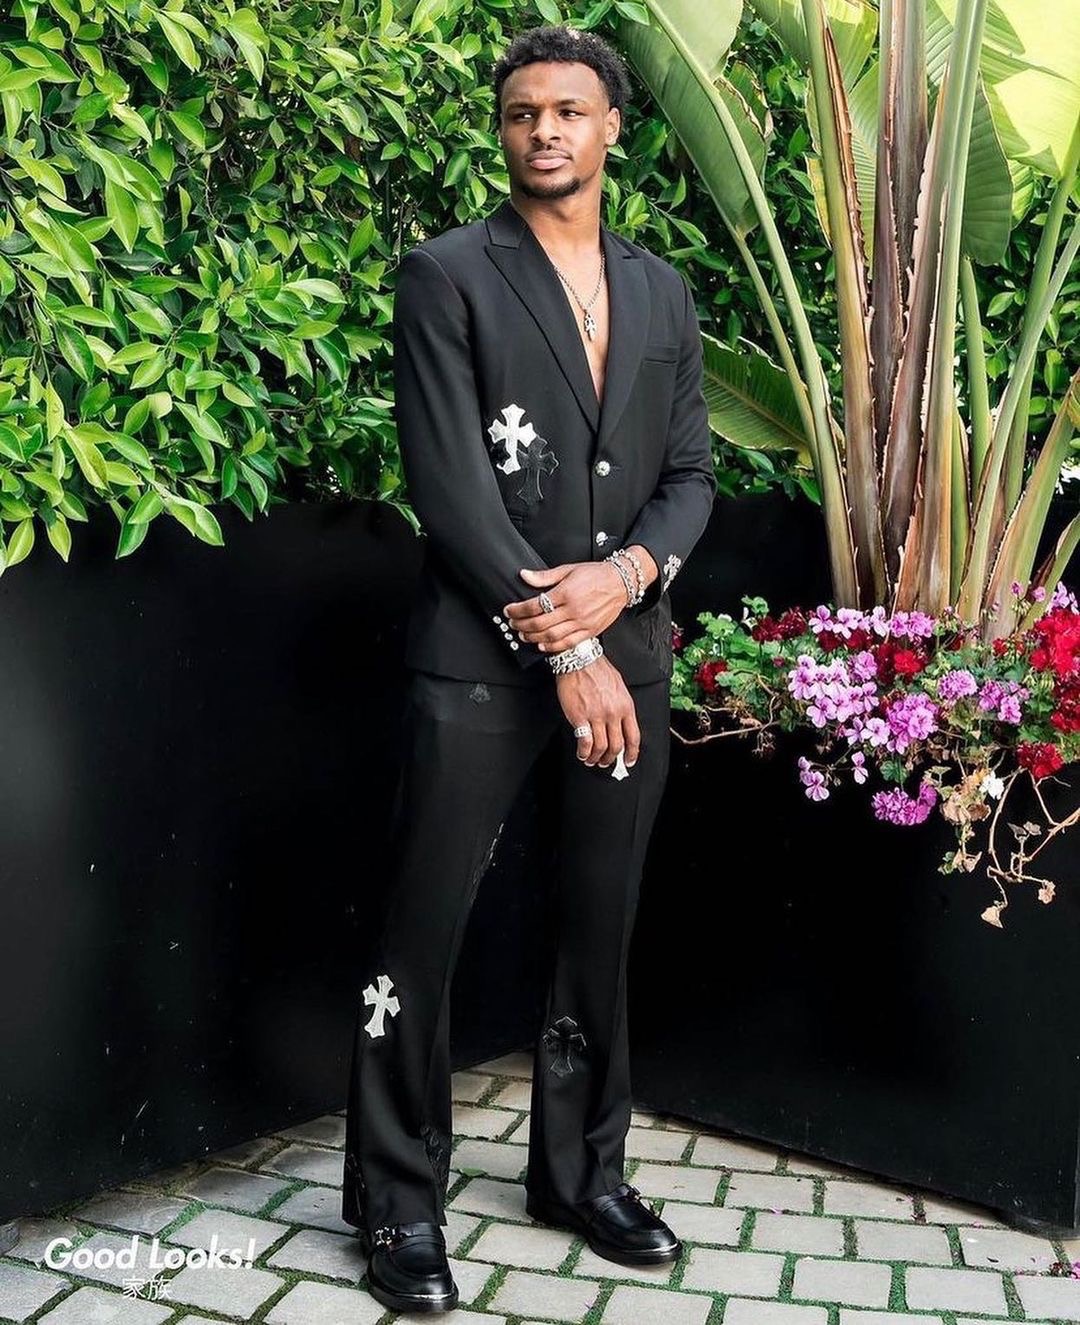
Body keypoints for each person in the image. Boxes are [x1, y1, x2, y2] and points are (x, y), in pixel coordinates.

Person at [341, 22, 717, 1315]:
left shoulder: (663, 292)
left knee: (598, 924)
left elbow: (689, 475)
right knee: (422, 929)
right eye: (520, 113)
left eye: (567, 109)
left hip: (629, 654)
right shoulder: (447, 274)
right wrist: (571, 640)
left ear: (613, 127)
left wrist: (631, 578)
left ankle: (581, 1175)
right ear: (503, 133)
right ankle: (397, 1204)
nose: (543, 130)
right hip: (477, 663)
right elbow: (450, 489)